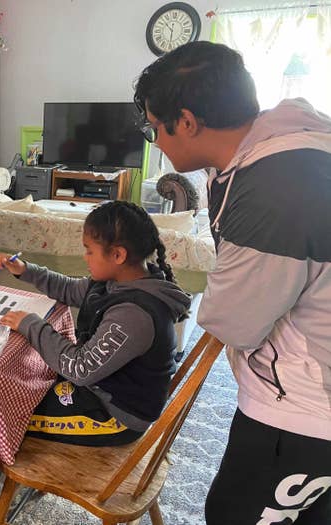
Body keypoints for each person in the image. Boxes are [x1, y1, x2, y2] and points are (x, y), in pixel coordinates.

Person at [134, 41, 331, 524]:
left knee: (237, 513)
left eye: (153, 127)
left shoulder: (276, 186)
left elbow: (232, 321)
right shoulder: (281, 142)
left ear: (186, 121)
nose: (153, 141)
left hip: (305, 405)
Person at [0, 201, 190, 446]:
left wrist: (31, 325)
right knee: (17, 385)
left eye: (89, 251)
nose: (85, 257)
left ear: (118, 254)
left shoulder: (134, 315)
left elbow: (79, 368)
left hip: (115, 415)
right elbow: (67, 288)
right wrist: (24, 270)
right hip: (100, 388)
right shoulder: (115, 282)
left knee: (4, 412)